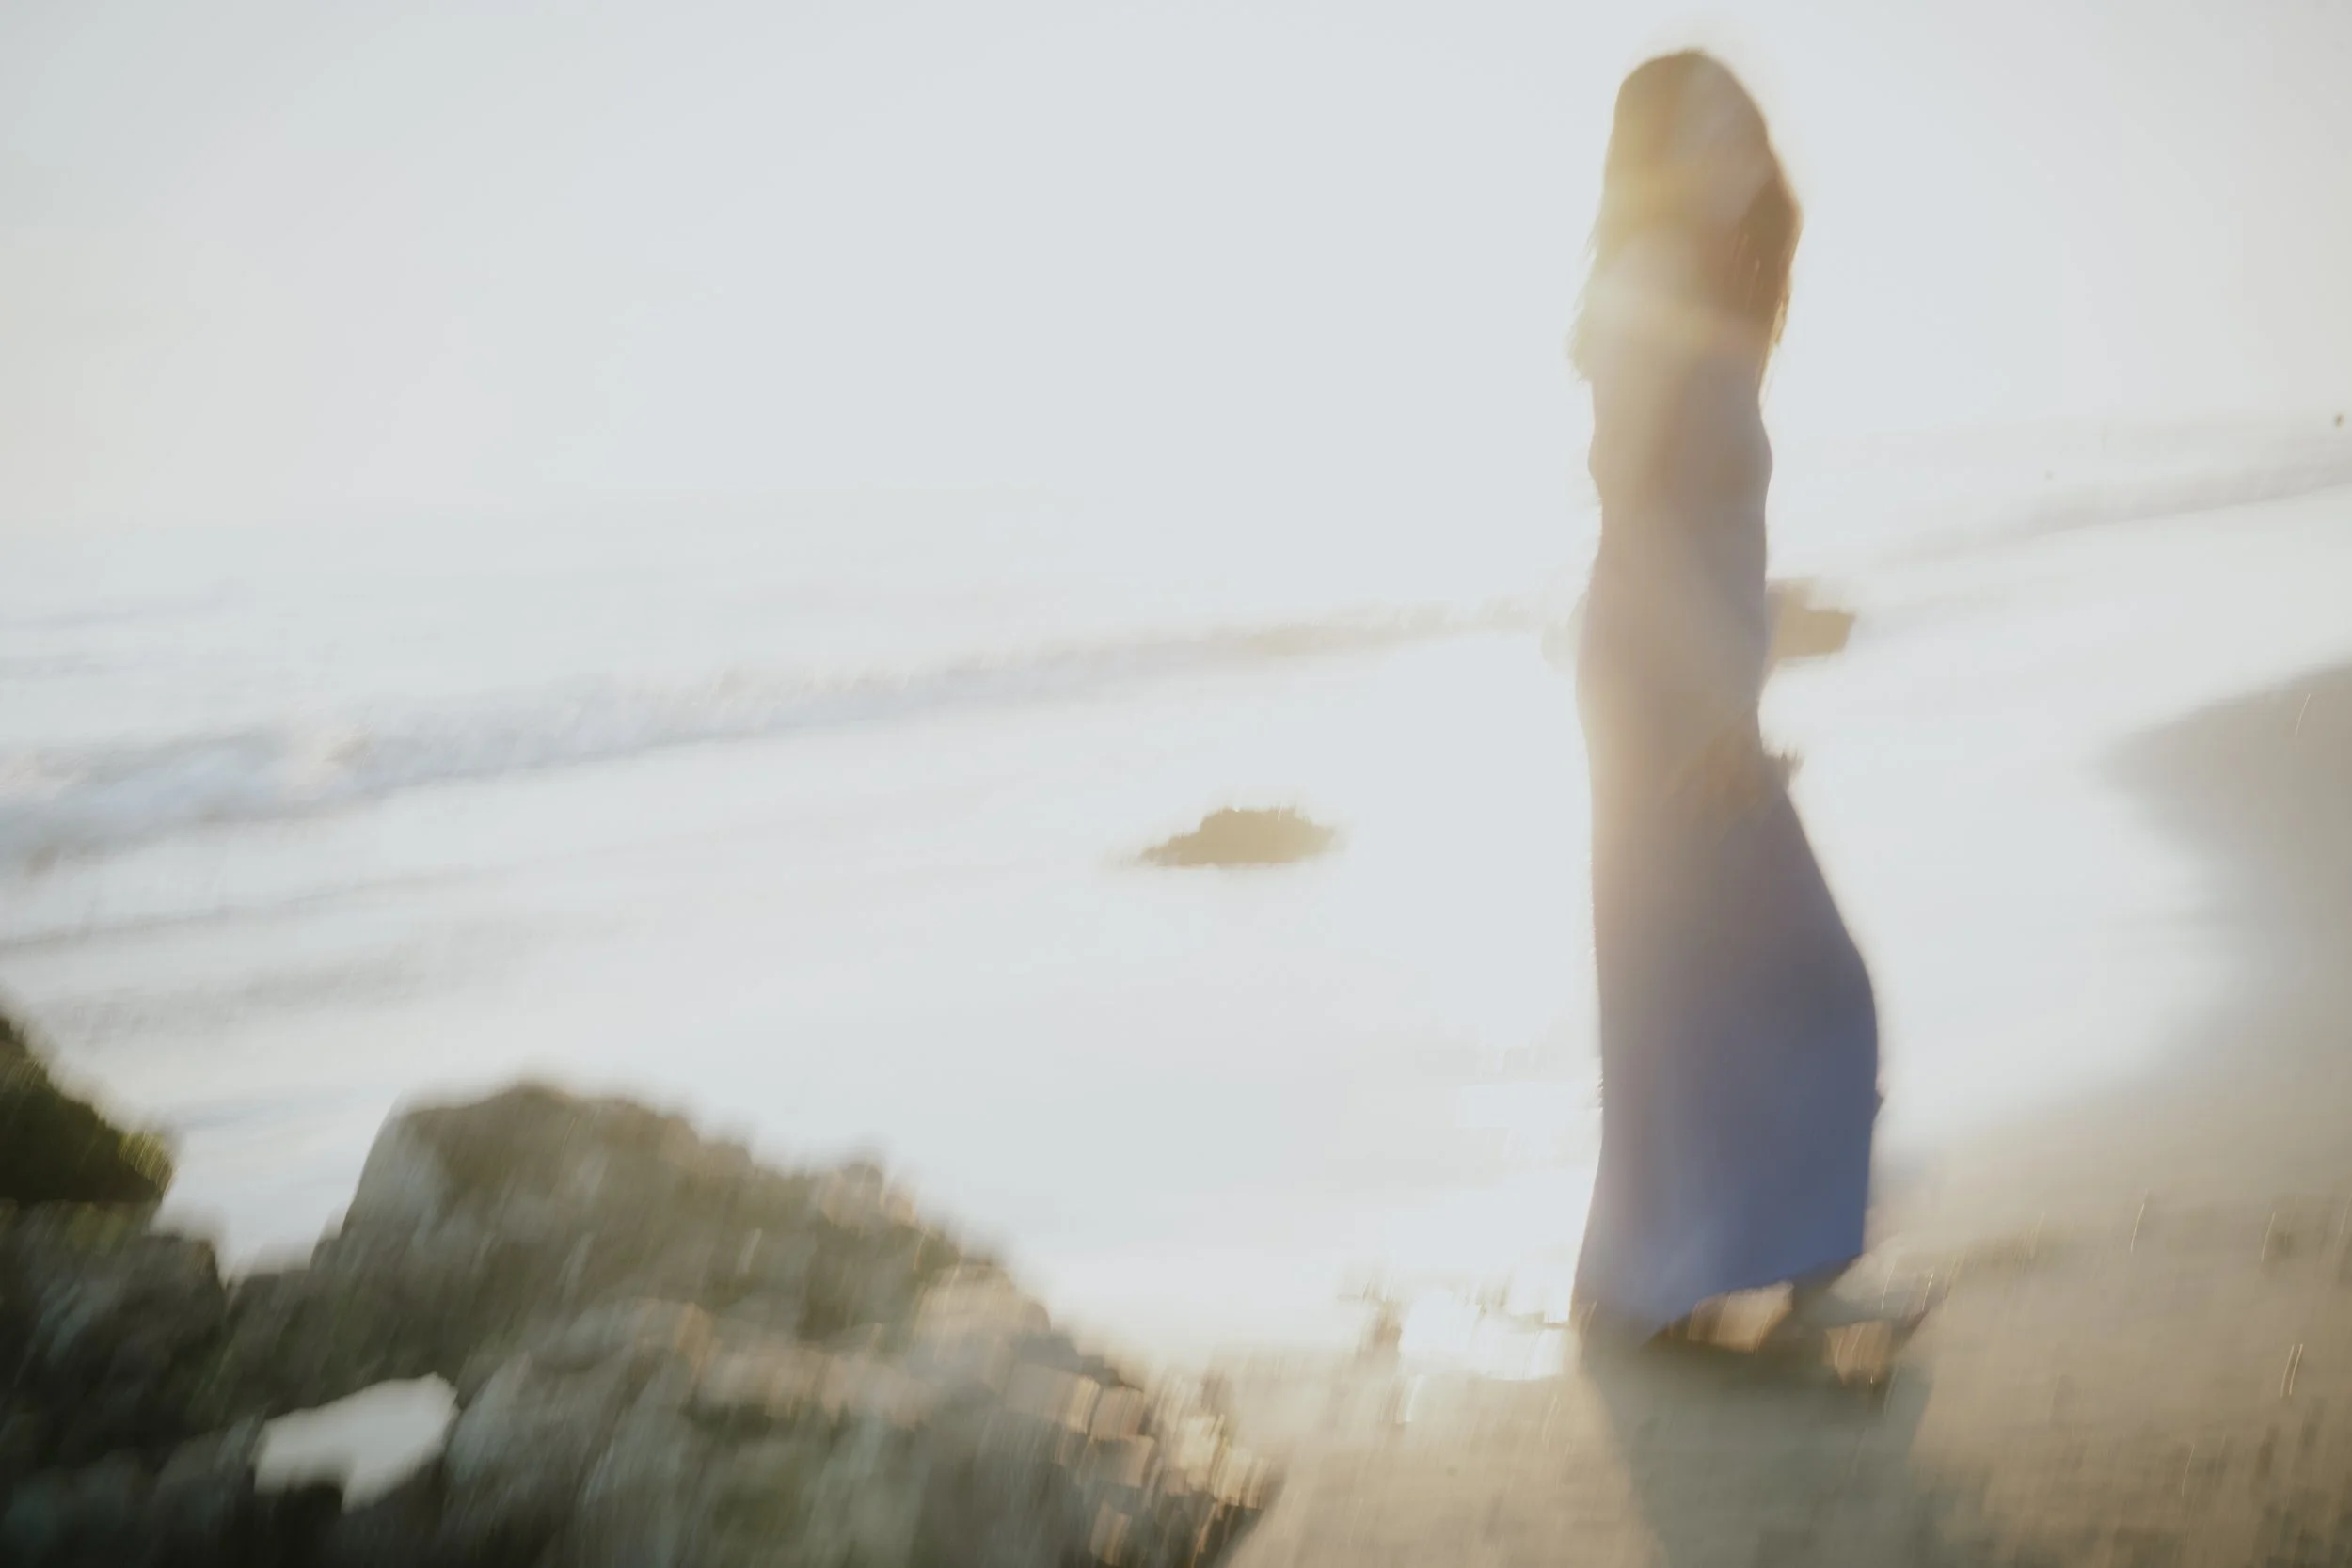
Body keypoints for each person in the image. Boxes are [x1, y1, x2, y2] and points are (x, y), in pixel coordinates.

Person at [1567, 51, 1883, 1349]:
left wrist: (1756, 642)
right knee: (1805, 977)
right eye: (1693, 132)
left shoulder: (1703, 286)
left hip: (1683, 673)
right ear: (1654, 161)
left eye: (1734, 121)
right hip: (1661, 684)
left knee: (1691, 984)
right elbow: (1636, 516)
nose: (1729, 147)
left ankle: (1658, 1284)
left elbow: (1704, 516)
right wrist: (1713, 705)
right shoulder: (1646, 285)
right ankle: (1711, 1276)